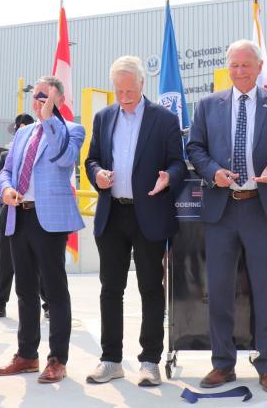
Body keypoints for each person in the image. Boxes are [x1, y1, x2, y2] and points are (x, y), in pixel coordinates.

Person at [187, 39, 267, 395]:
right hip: (221, 209)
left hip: (262, 208)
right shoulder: (208, 105)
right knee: (218, 290)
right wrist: (212, 172)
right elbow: (194, 148)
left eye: (246, 65)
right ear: (228, 67)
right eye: (234, 65)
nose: (239, 71)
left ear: (258, 67)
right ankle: (223, 364)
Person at [84, 56, 185, 387]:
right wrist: (97, 173)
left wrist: (167, 179)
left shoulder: (164, 119)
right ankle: (111, 359)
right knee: (110, 289)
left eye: (130, 90)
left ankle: (150, 360)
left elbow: (177, 163)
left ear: (142, 84)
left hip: (150, 214)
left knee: (150, 289)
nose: (125, 96)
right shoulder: (103, 118)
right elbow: (92, 158)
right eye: (119, 90)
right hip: (113, 213)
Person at [0, 76, 85, 384]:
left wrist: (49, 122)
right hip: (20, 216)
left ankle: (57, 359)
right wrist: (5, 190)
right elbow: (6, 170)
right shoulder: (23, 134)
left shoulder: (71, 130)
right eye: (35, 95)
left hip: (50, 221)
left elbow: (64, 158)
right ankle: (27, 355)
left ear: (58, 98)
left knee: (55, 290)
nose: (38, 100)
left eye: (45, 95)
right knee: (25, 290)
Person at [0, 114, 49, 321]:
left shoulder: (41, 153)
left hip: (37, 214)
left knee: (40, 262)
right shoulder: (6, 155)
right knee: (5, 263)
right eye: (19, 129)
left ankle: (48, 304)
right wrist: (7, 192)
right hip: (10, 215)